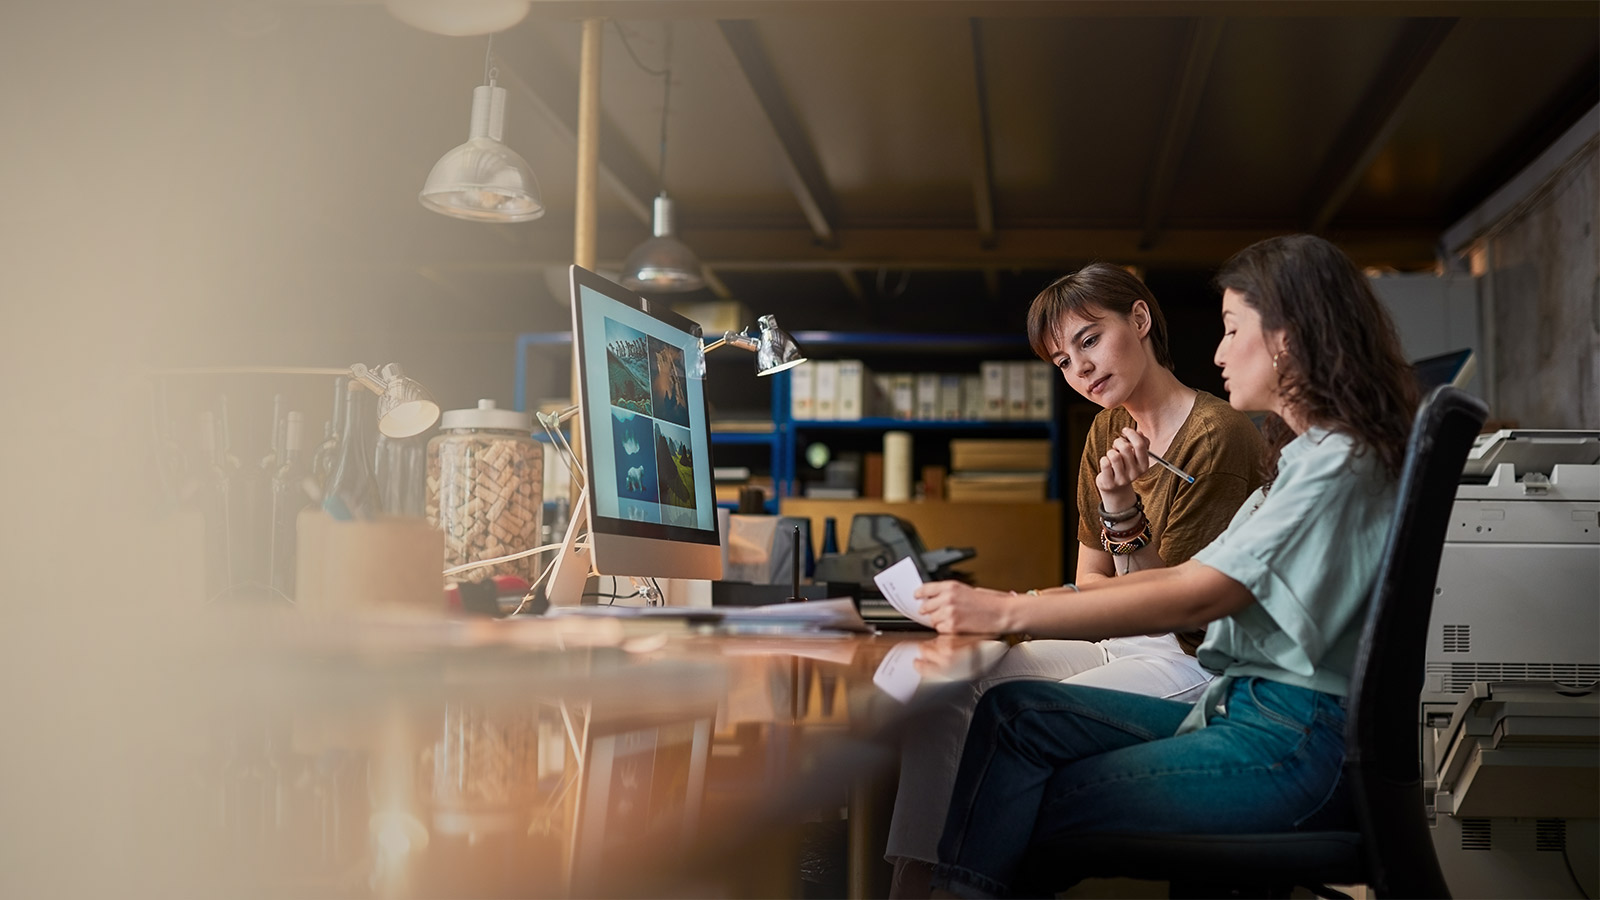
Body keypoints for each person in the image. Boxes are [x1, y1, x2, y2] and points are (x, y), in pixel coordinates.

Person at [916, 234, 1421, 899]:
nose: (1218, 353)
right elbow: (1171, 581)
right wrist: (1117, 514)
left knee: (1026, 794)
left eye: (1232, 329)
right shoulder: (1304, 459)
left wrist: (1009, 610)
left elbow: (1196, 596)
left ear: (1289, 337)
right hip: (1249, 712)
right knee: (1013, 716)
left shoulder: (1335, 464)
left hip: (1291, 739)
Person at [885, 263, 1268, 896]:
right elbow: (1090, 579)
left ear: (1139, 319)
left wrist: (1121, 514)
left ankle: (961, 884)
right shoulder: (1107, 429)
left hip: (1194, 658)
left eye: (1090, 340)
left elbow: (1179, 609)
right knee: (946, 690)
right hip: (1119, 638)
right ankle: (914, 883)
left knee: (1010, 717)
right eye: (1064, 361)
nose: (1081, 369)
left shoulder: (1216, 436)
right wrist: (1111, 528)